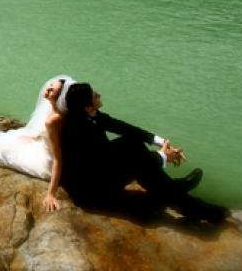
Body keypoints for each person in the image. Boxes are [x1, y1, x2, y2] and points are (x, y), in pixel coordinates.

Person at [60, 82, 228, 223]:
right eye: (95, 95)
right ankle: (194, 204)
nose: (100, 94)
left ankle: (184, 198)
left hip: (100, 172)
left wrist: (161, 142)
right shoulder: (76, 130)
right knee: (138, 161)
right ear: (88, 107)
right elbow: (100, 163)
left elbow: (122, 127)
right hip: (93, 190)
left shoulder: (86, 115)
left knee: (132, 143)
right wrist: (162, 157)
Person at [0, 75, 77, 212]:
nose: (48, 89)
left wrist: (51, 193)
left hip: (48, 163)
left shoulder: (53, 120)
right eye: (51, 85)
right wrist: (37, 135)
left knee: (1, 153)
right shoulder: (55, 111)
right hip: (46, 148)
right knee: (18, 139)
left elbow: (57, 159)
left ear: (60, 98)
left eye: (53, 91)